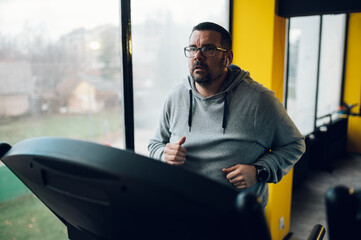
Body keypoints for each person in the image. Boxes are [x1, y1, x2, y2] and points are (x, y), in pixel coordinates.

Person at [148, 22, 305, 207]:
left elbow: (295, 144)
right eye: (192, 48)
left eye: (209, 49)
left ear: (227, 57)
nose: (198, 56)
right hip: (182, 211)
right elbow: (155, 144)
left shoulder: (259, 101)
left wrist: (259, 171)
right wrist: (164, 155)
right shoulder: (176, 97)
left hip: (235, 219)